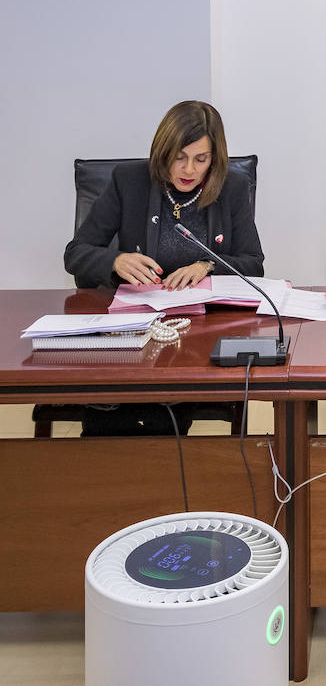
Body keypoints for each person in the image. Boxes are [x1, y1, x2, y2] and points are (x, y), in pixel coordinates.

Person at [63, 100, 265, 435]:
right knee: (115, 416)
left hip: (200, 334)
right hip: (134, 329)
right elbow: (76, 253)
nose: (189, 170)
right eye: (179, 158)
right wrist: (115, 260)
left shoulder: (231, 187)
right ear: (162, 153)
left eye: (201, 159)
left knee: (165, 416)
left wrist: (208, 265)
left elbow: (253, 263)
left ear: (215, 159)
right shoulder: (130, 181)